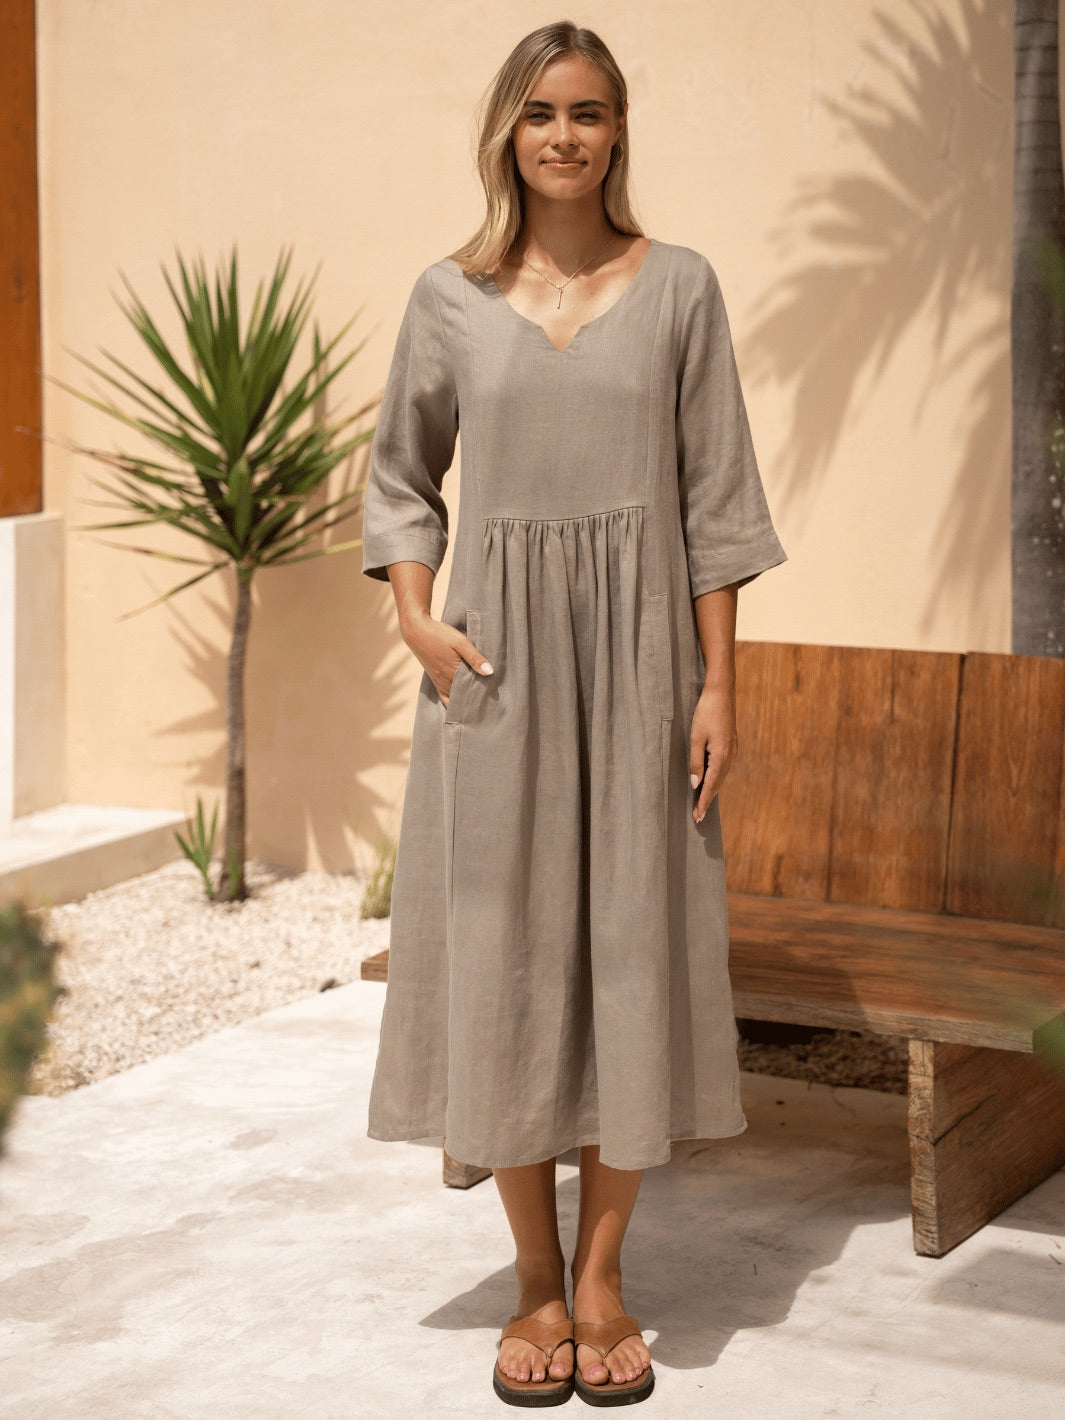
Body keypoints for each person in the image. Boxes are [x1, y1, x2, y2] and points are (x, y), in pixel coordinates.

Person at [360, 19, 787, 1409]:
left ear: (616, 132)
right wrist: (417, 618)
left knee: (629, 956)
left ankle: (602, 1279)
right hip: (496, 678)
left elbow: (717, 505)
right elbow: (401, 478)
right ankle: (532, 1278)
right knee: (508, 963)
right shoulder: (447, 296)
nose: (564, 135)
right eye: (541, 112)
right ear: (508, 130)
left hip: (643, 675)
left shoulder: (680, 289)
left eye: (588, 112)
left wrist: (717, 683)